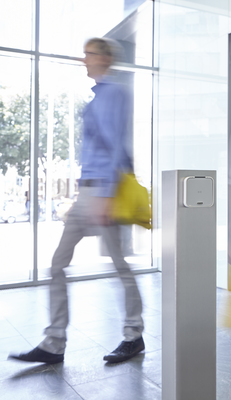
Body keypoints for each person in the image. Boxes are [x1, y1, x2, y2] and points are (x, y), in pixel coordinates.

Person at [9, 37, 145, 365]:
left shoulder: (114, 94)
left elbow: (116, 145)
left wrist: (107, 195)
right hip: (87, 192)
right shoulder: (95, 98)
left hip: (103, 192)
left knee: (119, 265)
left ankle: (133, 335)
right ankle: (54, 342)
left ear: (105, 58)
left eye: (89, 54)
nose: (84, 59)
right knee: (58, 263)